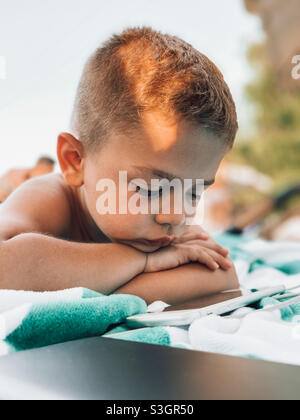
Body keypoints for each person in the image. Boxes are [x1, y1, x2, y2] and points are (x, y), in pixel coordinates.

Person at [0, 28, 239, 305]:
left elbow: (224, 279)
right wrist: (141, 261)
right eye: (150, 189)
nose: (176, 216)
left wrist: (101, 289)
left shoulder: (165, 226)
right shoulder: (48, 197)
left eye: (194, 192)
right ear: (75, 161)